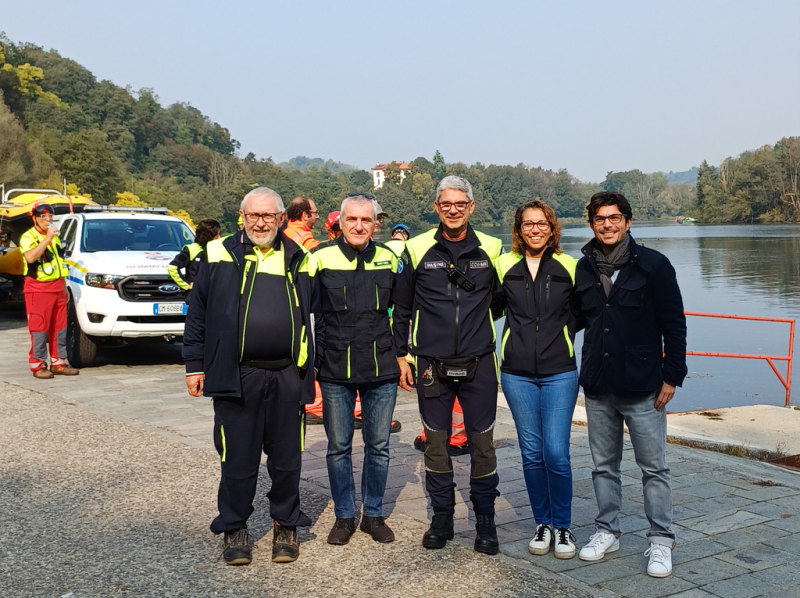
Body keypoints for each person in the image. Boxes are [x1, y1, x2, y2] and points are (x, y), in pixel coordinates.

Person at [183, 187, 323, 565]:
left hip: (286, 377)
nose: (260, 222)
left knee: (287, 459)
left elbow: (318, 315)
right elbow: (197, 315)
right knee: (237, 459)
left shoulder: (300, 258)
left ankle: (285, 524)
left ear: (281, 219)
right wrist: (195, 365)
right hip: (235, 376)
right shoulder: (217, 254)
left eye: (268, 216)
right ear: (240, 217)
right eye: (253, 215)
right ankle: (234, 528)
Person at [574, 191, 687, 578]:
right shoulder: (583, 268)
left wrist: (672, 375)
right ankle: (608, 530)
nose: (607, 224)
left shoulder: (654, 266)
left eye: (614, 217)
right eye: (599, 218)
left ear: (627, 221)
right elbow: (575, 320)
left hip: (644, 386)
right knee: (603, 466)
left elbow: (674, 323)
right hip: (598, 385)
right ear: (592, 224)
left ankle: (660, 539)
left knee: (654, 467)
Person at [392, 175, 503, 555]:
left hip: (481, 360)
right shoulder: (418, 247)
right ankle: (442, 518)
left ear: (471, 207)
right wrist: (401, 354)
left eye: (460, 204)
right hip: (429, 361)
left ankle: (485, 521)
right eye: (445, 204)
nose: (453, 210)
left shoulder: (492, 246)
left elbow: (501, 299)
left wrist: (476, 327)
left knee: (482, 444)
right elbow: (402, 308)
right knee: (436, 444)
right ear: (436, 207)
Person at [312, 194, 400, 545]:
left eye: (367, 220)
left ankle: (373, 515)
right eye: (353, 220)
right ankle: (344, 516)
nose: (360, 226)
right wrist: (313, 364)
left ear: (376, 224)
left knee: (378, 447)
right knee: (338, 447)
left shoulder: (391, 259)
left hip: (381, 367)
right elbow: (308, 316)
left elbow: (404, 312)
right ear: (340, 223)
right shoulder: (319, 259)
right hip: (335, 368)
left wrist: (403, 355)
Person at [494, 200, 579, 559]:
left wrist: (562, 337)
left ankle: (563, 527)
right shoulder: (503, 265)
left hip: (560, 371)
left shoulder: (570, 266)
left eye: (541, 223)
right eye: (528, 224)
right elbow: (488, 308)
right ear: (519, 229)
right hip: (515, 373)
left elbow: (585, 312)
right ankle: (542, 523)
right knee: (531, 453)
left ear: (552, 228)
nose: (535, 229)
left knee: (556, 453)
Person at [20, 203, 79, 378]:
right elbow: (30, 257)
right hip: (38, 289)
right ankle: (38, 365)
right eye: (43, 217)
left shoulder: (54, 237)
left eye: (50, 217)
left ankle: (58, 362)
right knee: (39, 327)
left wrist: (64, 287)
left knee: (60, 327)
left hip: (58, 287)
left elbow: (58, 263)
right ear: (35, 219)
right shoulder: (28, 237)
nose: (48, 220)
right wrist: (46, 239)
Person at [167, 219, 221, 299]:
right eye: (218, 235)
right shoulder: (191, 249)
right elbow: (172, 268)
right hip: (195, 298)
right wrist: (186, 285)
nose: (220, 237)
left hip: (212, 297)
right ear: (210, 236)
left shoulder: (219, 249)